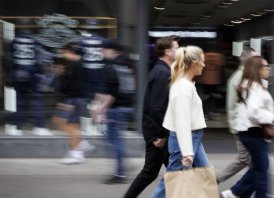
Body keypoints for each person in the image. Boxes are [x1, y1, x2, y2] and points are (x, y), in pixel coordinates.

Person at [124, 35, 179, 198]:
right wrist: (161, 135)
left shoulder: (163, 69)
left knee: (178, 171)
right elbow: (157, 107)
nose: (179, 51)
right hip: (158, 134)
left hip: (161, 132)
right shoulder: (162, 73)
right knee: (150, 172)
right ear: (168, 52)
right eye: (177, 48)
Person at [151, 45, 208, 198]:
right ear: (194, 63)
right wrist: (187, 151)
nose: (204, 64)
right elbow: (182, 122)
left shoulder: (185, 85)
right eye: (202, 61)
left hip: (192, 137)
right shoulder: (183, 88)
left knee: (204, 177)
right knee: (173, 180)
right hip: (187, 138)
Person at [221, 56, 274, 198]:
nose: (269, 68)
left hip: (250, 132)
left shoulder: (252, 85)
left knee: (259, 167)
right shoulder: (254, 87)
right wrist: (271, 117)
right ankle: (242, 193)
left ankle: (236, 192)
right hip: (253, 132)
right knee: (261, 169)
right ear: (257, 69)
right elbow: (254, 112)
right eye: (266, 65)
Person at [91, 40, 135, 184]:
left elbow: (113, 92)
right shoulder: (128, 65)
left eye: (104, 49)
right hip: (126, 106)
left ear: (113, 51)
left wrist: (100, 109)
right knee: (113, 139)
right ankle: (122, 165)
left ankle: (120, 174)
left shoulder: (112, 66)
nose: (101, 52)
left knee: (114, 140)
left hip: (116, 108)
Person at [216, 47, 258, 184]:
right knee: (246, 159)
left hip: (242, 125)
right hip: (242, 126)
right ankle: (218, 181)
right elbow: (245, 105)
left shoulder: (241, 76)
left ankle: (246, 189)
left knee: (254, 161)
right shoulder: (242, 78)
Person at [51, 43, 94, 165]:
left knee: (67, 124)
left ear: (71, 52)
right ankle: (81, 143)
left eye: (64, 52)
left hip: (74, 99)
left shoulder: (78, 65)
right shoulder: (77, 64)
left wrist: (69, 102)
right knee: (70, 124)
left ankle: (77, 152)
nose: (63, 55)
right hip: (74, 98)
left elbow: (76, 85)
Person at [5, 33, 51, 136]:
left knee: (18, 101)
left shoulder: (14, 41)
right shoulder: (36, 40)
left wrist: (10, 74)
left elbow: (8, 59)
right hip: (33, 74)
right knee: (36, 100)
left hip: (18, 73)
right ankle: (39, 127)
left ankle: (15, 127)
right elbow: (43, 58)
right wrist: (43, 77)